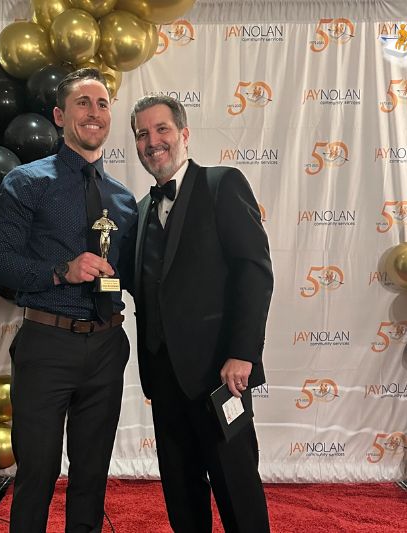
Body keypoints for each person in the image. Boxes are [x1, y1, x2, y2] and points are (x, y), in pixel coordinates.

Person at [0, 68, 137, 533]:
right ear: (59, 115)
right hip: (47, 343)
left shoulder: (125, 200)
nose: (94, 112)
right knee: (39, 473)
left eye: (103, 103)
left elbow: (133, 275)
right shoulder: (28, 182)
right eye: (83, 103)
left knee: (91, 475)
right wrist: (59, 270)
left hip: (108, 346)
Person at [129, 95, 273, 532]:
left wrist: (242, 353)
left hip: (219, 374)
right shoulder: (139, 210)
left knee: (237, 487)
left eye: (162, 130)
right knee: (181, 491)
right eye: (142, 134)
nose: (153, 142)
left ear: (184, 134)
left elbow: (254, 271)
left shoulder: (222, 183)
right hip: (163, 377)